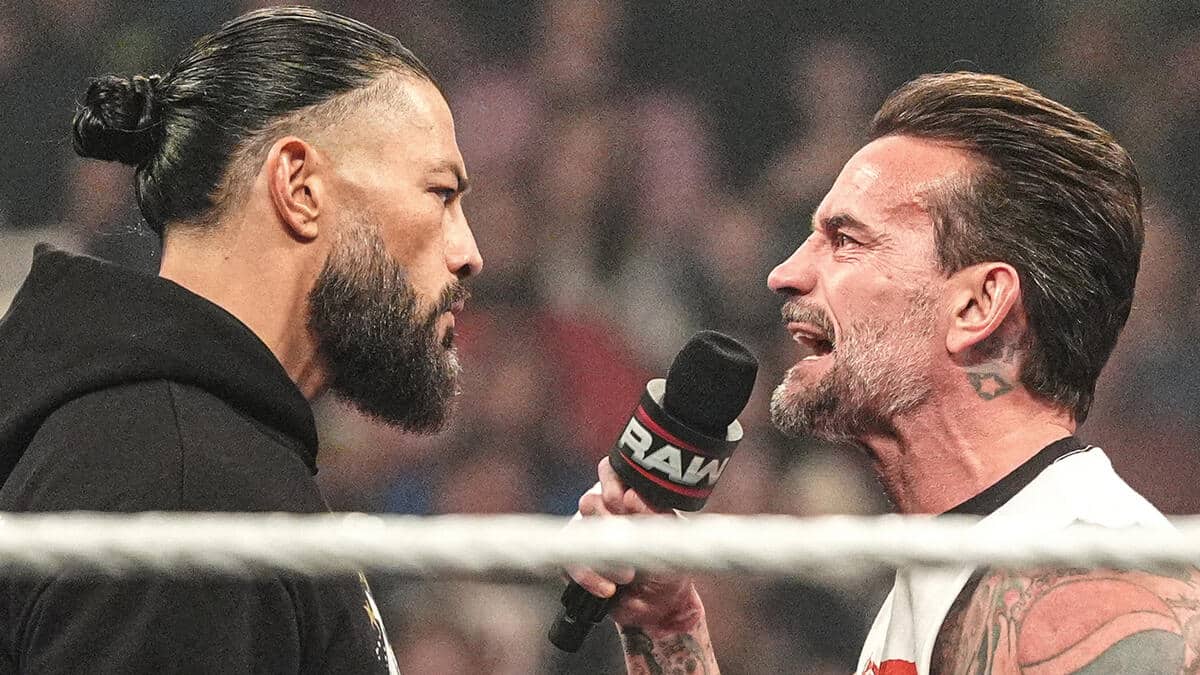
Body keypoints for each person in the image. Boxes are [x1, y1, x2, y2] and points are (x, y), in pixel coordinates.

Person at [572, 72, 1200, 674]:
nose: (786, 273)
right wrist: (667, 627)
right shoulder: (955, 552)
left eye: (845, 240)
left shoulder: (1090, 596)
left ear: (977, 306)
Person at [0, 6, 480, 673]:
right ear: (299, 188)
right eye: (441, 193)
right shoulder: (183, 486)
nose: (468, 252)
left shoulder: (200, 456)